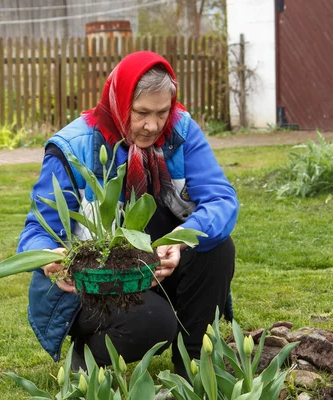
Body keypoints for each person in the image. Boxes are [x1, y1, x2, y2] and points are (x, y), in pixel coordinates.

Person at [18, 51, 238, 375]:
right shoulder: (72, 147)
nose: (153, 125)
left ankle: (191, 371)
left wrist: (179, 240)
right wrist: (48, 256)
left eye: (162, 112)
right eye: (141, 113)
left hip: (158, 267)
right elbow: (36, 230)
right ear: (120, 103)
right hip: (95, 283)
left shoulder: (181, 132)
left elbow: (221, 200)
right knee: (155, 324)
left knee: (217, 248)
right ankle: (87, 357)